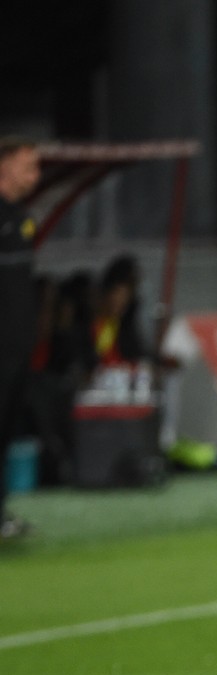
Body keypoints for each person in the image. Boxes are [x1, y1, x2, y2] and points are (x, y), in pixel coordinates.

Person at [0, 136, 41, 540]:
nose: (35, 175)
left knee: (6, 432)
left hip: (15, 350)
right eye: (28, 165)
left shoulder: (22, 218)